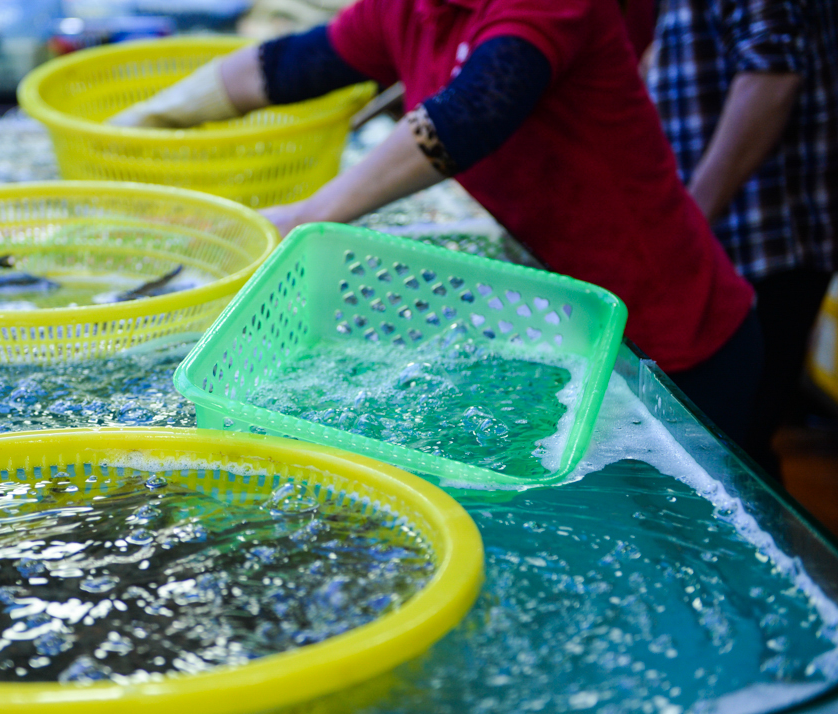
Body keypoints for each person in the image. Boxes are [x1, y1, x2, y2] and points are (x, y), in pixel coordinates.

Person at [111, 0, 762, 446]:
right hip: (575, 319)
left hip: (677, 337)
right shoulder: (409, 8)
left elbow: (475, 108)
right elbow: (288, 66)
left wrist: (307, 217)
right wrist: (154, 115)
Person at [646, 0, 837, 480]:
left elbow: (771, 77)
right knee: (729, 447)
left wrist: (689, 220)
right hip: (734, 240)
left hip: (766, 241)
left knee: (735, 456)